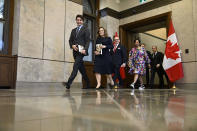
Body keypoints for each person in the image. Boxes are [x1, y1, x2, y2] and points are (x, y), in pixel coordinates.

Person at [63, 14, 90, 89]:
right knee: (81, 69)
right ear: (76, 21)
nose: (79, 21)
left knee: (75, 66)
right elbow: (70, 41)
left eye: (80, 20)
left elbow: (88, 41)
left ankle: (68, 83)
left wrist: (85, 49)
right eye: (77, 20)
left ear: (82, 21)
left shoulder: (86, 29)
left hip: (81, 51)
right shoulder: (73, 30)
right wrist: (72, 46)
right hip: (75, 52)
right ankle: (88, 83)